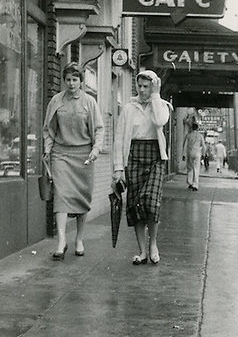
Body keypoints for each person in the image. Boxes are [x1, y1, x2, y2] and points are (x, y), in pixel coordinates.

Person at [42, 62, 104, 261]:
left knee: (81, 198)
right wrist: (47, 148)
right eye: (68, 79)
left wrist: (95, 150)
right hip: (61, 153)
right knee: (61, 196)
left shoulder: (89, 103)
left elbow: (99, 129)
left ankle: (79, 239)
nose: (71, 83)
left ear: (81, 81)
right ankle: (61, 241)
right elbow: (48, 129)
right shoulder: (56, 101)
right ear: (64, 80)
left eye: (75, 80)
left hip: (84, 155)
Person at [112, 70, 172, 265]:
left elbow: (159, 121)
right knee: (136, 204)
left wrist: (156, 95)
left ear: (153, 87)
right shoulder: (129, 108)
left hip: (155, 156)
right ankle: (142, 251)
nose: (142, 89)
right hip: (134, 155)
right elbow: (120, 138)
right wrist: (118, 168)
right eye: (140, 86)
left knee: (151, 203)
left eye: (147, 86)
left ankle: (153, 243)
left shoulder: (161, 106)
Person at [183, 120, 206, 190]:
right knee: (196, 168)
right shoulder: (200, 136)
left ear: (192, 128)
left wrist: (184, 154)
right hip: (197, 153)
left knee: (190, 168)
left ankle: (190, 182)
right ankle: (195, 185)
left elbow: (185, 145)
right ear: (197, 128)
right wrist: (203, 154)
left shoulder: (188, 135)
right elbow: (204, 146)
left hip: (190, 153)